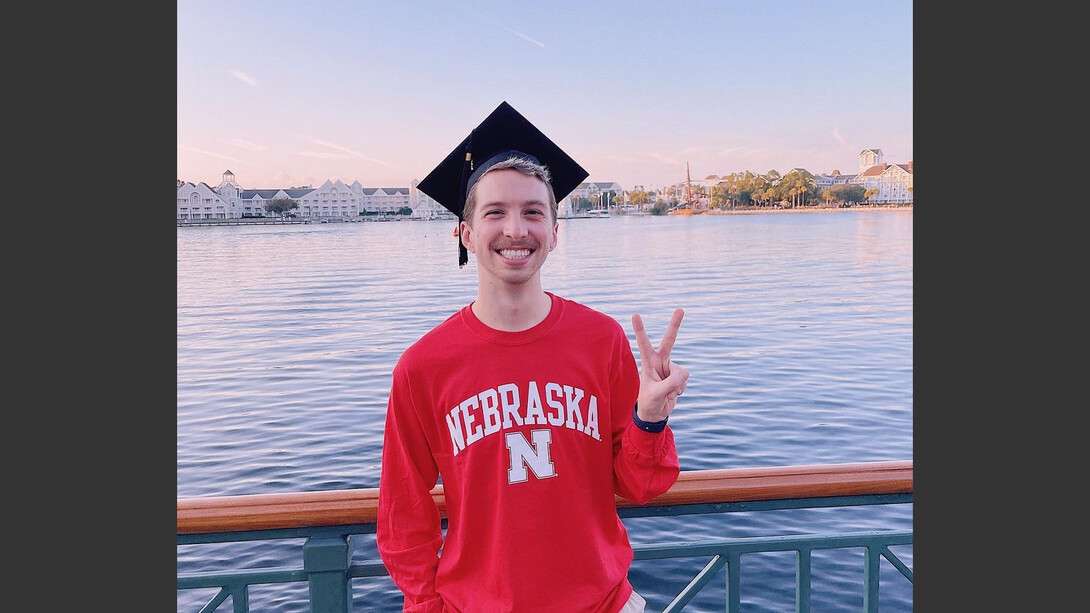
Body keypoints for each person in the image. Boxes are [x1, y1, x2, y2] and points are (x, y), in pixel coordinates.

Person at [376, 101, 689, 613]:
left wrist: (649, 420)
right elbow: (403, 516)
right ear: (466, 233)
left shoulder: (602, 340)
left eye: (533, 212)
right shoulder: (423, 368)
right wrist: (429, 605)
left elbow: (639, 486)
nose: (516, 230)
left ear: (555, 232)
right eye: (495, 212)